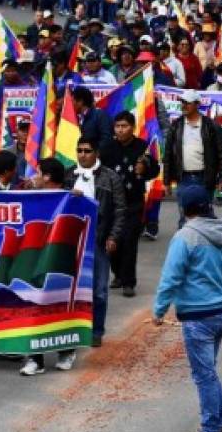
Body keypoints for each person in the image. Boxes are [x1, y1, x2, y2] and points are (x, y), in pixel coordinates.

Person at [153, 184, 222, 432]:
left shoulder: (185, 237)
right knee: (208, 370)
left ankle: (210, 431)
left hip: (198, 314)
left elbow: (171, 278)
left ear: (183, 209)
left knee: (203, 375)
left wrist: (159, 311)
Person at [64, 136, 126, 348]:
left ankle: (97, 331)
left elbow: (120, 210)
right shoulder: (69, 175)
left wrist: (113, 236)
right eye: (79, 150)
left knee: (99, 291)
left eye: (87, 150)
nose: (83, 155)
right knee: (71, 290)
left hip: (98, 241)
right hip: (73, 241)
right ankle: (74, 331)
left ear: (96, 153)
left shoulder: (111, 178)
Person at [18, 156, 78, 376]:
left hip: (62, 260)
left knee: (60, 306)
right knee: (33, 304)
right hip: (35, 260)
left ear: (48, 176)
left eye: (38, 171)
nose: (34, 176)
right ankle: (35, 359)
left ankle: (66, 351)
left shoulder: (72, 197)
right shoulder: (32, 197)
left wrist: (79, 199)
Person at [101, 111, 160, 297]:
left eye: (124, 126)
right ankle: (117, 274)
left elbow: (155, 170)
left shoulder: (143, 147)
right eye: (117, 126)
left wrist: (144, 169)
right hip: (110, 203)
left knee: (129, 242)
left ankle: (129, 282)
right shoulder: (106, 148)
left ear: (132, 128)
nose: (120, 130)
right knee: (112, 241)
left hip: (133, 201)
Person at [163, 89, 222, 225]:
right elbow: (168, 154)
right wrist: (167, 181)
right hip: (183, 179)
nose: (184, 105)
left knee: (205, 217)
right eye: (182, 102)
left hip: (205, 179)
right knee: (184, 217)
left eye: (188, 103)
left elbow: (221, 154)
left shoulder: (211, 126)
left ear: (197, 104)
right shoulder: (176, 125)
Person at [71, 86, 112, 157]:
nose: (70, 105)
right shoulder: (75, 118)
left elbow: (106, 139)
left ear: (80, 101)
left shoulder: (100, 115)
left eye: (72, 101)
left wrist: (92, 154)